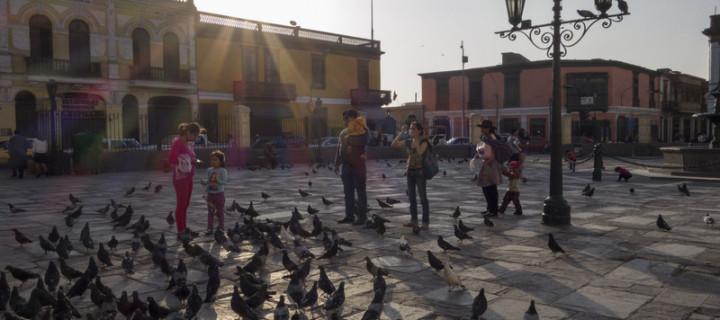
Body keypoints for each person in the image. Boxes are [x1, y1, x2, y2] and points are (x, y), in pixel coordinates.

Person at [392, 121, 430, 230]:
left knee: (423, 198)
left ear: (419, 131)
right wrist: (401, 133)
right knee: (412, 197)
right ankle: (414, 220)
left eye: (414, 129)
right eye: (410, 129)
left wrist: (416, 139)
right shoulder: (408, 141)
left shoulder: (424, 141)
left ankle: (425, 222)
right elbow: (394, 144)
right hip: (410, 171)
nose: (411, 131)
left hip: (420, 172)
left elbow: (419, 152)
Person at [168, 122, 203, 239]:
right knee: (181, 204)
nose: (195, 138)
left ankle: (184, 228)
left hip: (189, 176)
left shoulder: (189, 143)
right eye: (194, 135)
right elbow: (171, 158)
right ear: (188, 132)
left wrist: (194, 160)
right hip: (180, 178)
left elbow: (189, 157)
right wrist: (189, 160)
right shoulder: (178, 142)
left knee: (186, 204)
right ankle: (180, 231)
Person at [334, 109, 369, 225]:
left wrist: (349, 138)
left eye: (353, 116)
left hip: (358, 166)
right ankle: (349, 215)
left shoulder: (363, 130)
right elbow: (339, 147)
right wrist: (336, 163)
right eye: (349, 117)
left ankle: (362, 217)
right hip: (346, 166)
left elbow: (363, 141)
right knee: (348, 193)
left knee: (360, 192)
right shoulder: (344, 132)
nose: (350, 119)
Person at [472, 120, 502, 217]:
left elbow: (488, 156)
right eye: (482, 128)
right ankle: (491, 209)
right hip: (494, 164)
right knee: (491, 187)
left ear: (489, 129)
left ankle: (492, 210)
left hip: (489, 165)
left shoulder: (488, 139)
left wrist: (480, 153)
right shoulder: (493, 137)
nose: (482, 130)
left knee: (488, 188)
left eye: (484, 128)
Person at [200, 150, 227, 235]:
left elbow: (224, 182)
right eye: (212, 159)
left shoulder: (223, 171)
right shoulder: (209, 170)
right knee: (210, 212)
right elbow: (209, 180)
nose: (213, 161)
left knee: (220, 212)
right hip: (210, 195)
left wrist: (216, 179)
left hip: (220, 194)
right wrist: (205, 182)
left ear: (221, 161)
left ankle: (221, 227)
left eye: (215, 160)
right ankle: (209, 228)